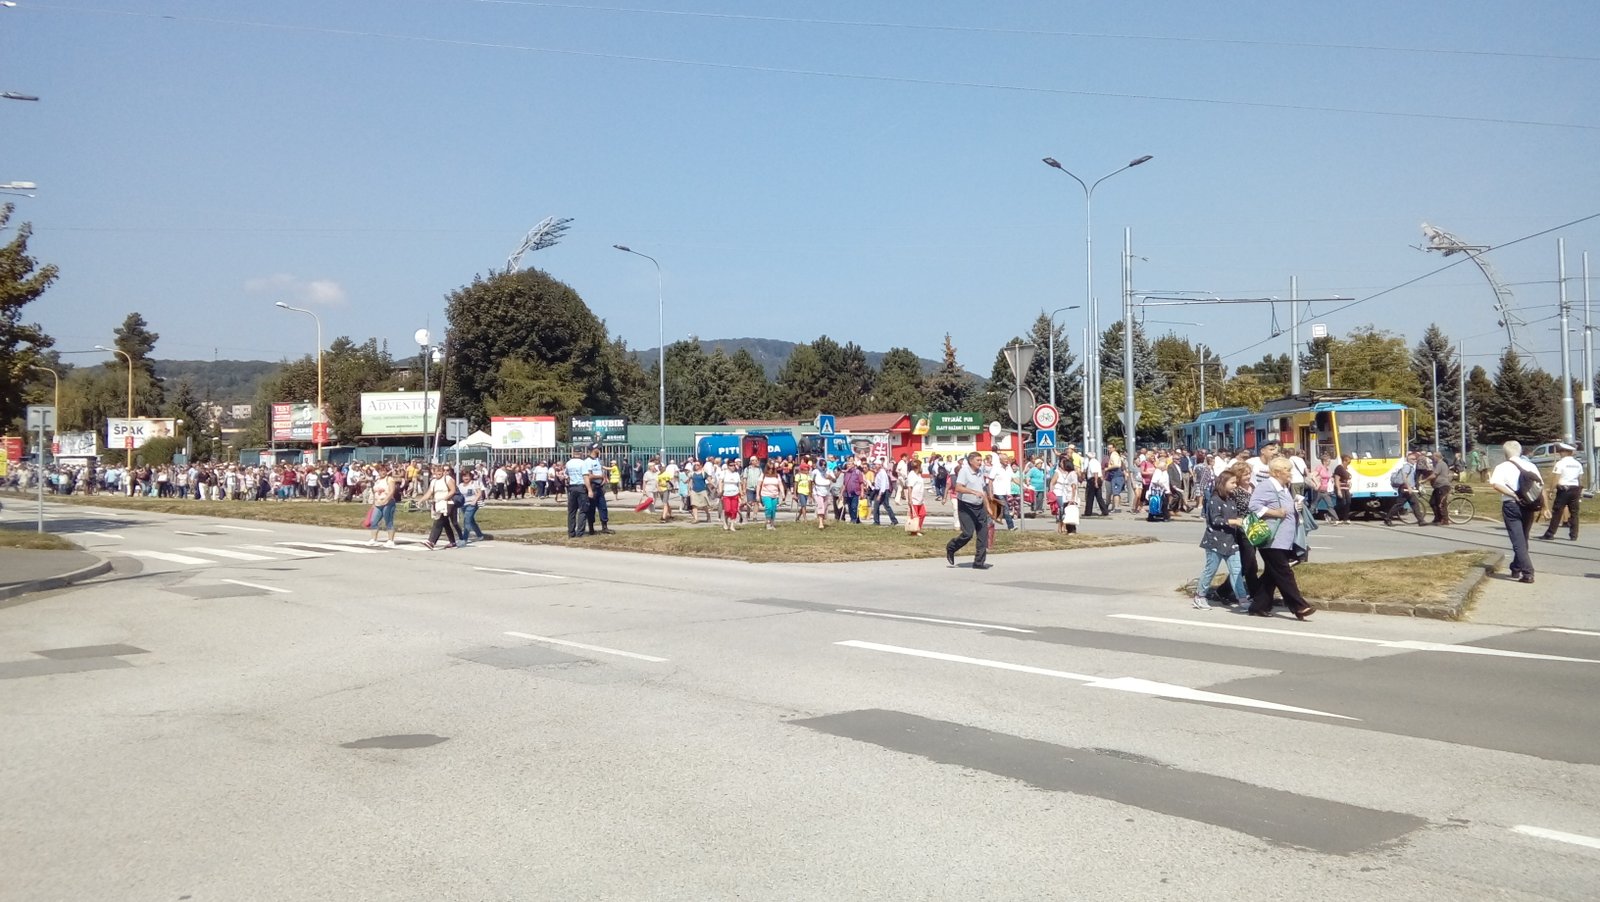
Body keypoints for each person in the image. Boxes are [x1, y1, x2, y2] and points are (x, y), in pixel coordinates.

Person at [1247, 457, 1315, 619]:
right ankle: (1299, 606)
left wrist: (1295, 507)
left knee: (1272, 574)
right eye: (1287, 470)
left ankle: (1258, 606)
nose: (1290, 473)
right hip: (1272, 538)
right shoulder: (1267, 486)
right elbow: (1253, 506)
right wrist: (1275, 513)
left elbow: (1285, 507)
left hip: (1284, 538)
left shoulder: (1283, 487)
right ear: (1277, 472)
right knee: (1284, 572)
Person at [1193, 469, 1248, 610]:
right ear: (1223, 483)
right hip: (1215, 541)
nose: (1235, 485)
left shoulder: (1231, 499)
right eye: (1232, 483)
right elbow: (1215, 520)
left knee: (1237, 570)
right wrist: (1233, 521)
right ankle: (1200, 596)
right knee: (1211, 570)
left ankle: (1242, 598)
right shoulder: (1214, 499)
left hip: (1231, 540)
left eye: (1236, 483)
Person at [1490, 440, 1543, 583]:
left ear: (1505, 453)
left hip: (1511, 505)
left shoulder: (1502, 467)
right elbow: (1540, 486)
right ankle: (1516, 567)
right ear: (1520, 451)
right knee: (1523, 538)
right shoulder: (1530, 465)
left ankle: (1528, 572)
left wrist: (1512, 494)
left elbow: (1496, 485)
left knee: (1518, 540)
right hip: (1528, 505)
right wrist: (1544, 507)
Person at [945, 451, 992, 570]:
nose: (980, 463)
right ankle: (952, 547)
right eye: (978, 460)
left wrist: (988, 507)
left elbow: (983, 491)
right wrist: (973, 492)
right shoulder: (964, 471)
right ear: (971, 461)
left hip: (979, 506)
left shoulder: (980, 472)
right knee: (968, 534)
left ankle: (979, 562)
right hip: (966, 506)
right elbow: (958, 487)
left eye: (981, 460)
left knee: (983, 534)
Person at [1540, 442, 1583, 541]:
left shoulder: (1560, 463)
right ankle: (1574, 535)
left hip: (1564, 490)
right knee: (1574, 513)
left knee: (1557, 512)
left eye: (1561, 451)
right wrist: (1580, 490)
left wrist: (1551, 490)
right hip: (1575, 489)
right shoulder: (1578, 464)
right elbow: (1580, 478)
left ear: (1566, 452)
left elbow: (1556, 478)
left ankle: (1550, 533)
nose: (1560, 453)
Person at [1384, 451, 1426, 527]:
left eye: (1415, 459)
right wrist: (1408, 487)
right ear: (1408, 460)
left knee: (1414, 504)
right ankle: (1387, 518)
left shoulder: (1411, 467)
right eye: (1413, 459)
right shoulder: (1407, 466)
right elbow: (1404, 477)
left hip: (1408, 489)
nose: (1415, 460)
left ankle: (1421, 520)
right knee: (1400, 504)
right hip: (1405, 489)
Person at [422, 464, 459, 550]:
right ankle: (453, 542)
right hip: (438, 504)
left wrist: (444, 498)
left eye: (440, 471)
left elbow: (453, 490)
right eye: (437, 471)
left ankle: (431, 541)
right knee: (445, 523)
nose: (439, 473)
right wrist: (421, 500)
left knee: (439, 521)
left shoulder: (447, 479)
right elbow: (429, 493)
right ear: (434, 472)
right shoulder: (434, 481)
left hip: (447, 503)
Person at [365, 464, 399, 547]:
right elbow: (375, 492)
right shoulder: (377, 480)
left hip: (388, 503)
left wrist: (386, 499)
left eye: (384, 470)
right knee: (374, 521)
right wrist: (374, 503)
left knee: (388, 521)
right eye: (381, 471)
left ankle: (390, 540)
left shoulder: (389, 479)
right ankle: (373, 539)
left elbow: (392, 491)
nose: (383, 472)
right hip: (378, 503)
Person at [564, 446, 594, 538]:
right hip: (581, 487)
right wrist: (590, 490)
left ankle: (571, 532)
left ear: (573, 453)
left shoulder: (568, 463)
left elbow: (566, 475)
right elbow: (585, 477)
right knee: (583, 510)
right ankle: (580, 532)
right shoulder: (582, 463)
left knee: (572, 511)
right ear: (581, 453)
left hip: (572, 487)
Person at [584, 445, 614, 535]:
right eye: (598, 448)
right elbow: (589, 476)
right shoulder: (588, 461)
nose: (599, 450)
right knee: (591, 508)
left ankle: (604, 526)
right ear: (593, 450)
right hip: (593, 486)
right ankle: (591, 528)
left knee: (603, 507)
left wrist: (604, 478)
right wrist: (600, 476)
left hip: (599, 486)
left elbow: (601, 471)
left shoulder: (598, 460)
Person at [1051, 457, 1079, 535]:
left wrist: (1072, 499)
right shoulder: (1069, 473)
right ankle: (1068, 530)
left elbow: (1073, 486)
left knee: (1070, 513)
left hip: (1070, 497)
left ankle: (1072, 530)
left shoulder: (1072, 474)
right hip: (1066, 496)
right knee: (1067, 513)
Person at [459, 467, 487, 544]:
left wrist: (474, 501)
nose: (466, 478)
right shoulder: (460, 485)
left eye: (467, 476)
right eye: (464, 476)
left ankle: (464, 539)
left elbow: (479, 493)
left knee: (466, 520)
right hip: (463, 505)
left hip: (472, 505)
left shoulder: (474, 484)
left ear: (470, 476)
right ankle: (480, 535)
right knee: (471, 521)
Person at [901, 458, 927, 536]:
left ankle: (918, 528)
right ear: (918, 467)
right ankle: (914, 530)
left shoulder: (919, 475)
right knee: (915, 516)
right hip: (914, 499)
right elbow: (910, 487)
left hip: (920, 499)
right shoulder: (912, 475)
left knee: (922, 514)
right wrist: (910, 499)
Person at [1428, 453, 1455, 525]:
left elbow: (1434, 475)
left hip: (1443, 486)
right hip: (1437, 487)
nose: (1432, 458)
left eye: (1433, 457)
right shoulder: (1438, 464)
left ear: (1437, 457)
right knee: (1432, 502)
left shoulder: (1441, 464)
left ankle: (1445, 520)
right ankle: (1438, 518)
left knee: (1441, 503)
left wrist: (1424, 480)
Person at [871, 458, 899, 526]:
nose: (875, 466)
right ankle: (876, 521)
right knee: (876, 506)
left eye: (876, 465)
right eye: (874, 465)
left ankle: (894, 520)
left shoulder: (882, 473)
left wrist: (880, 495)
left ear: (880, 465)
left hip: (883, 492)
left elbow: (883, 485)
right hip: (878, 491)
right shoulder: (877, 472)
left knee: (886, 506)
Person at [718, 457, 744, 531]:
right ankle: (725, 522)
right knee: (727, 509)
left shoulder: (736, 474)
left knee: (734, 510)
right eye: (731, 465)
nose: (732, 467)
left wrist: (741, 493)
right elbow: (720, 482)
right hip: (726, 494)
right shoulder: (724, 473)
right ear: (728, 466)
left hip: (735, 493)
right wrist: (720, 491)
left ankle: (732, 525)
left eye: (733, 465)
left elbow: (739, 484)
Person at [759, 463, 783, 530]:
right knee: (768, 508)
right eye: (769, 468)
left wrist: (783, 493)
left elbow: (780, 484)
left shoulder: (777, 475)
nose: (771, 470)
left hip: (775, 494)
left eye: (772, 469)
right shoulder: (763, 475)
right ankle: (768, 522)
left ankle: (772, 523)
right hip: (765, 494)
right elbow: (758, 485)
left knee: (773, 510)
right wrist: (758, 495)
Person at [811, 460, 833, 530]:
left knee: (825, 507)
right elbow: (811, 481)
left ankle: (822, 520)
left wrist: (830, 477)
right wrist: (810, 492)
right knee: (821, 506)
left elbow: (834, 480)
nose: (823, 466)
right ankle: (820, 523)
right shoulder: (815, 471)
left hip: (826, 491)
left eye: (824, 465)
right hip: (818, 491)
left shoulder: (829, 471)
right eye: (821, 465)